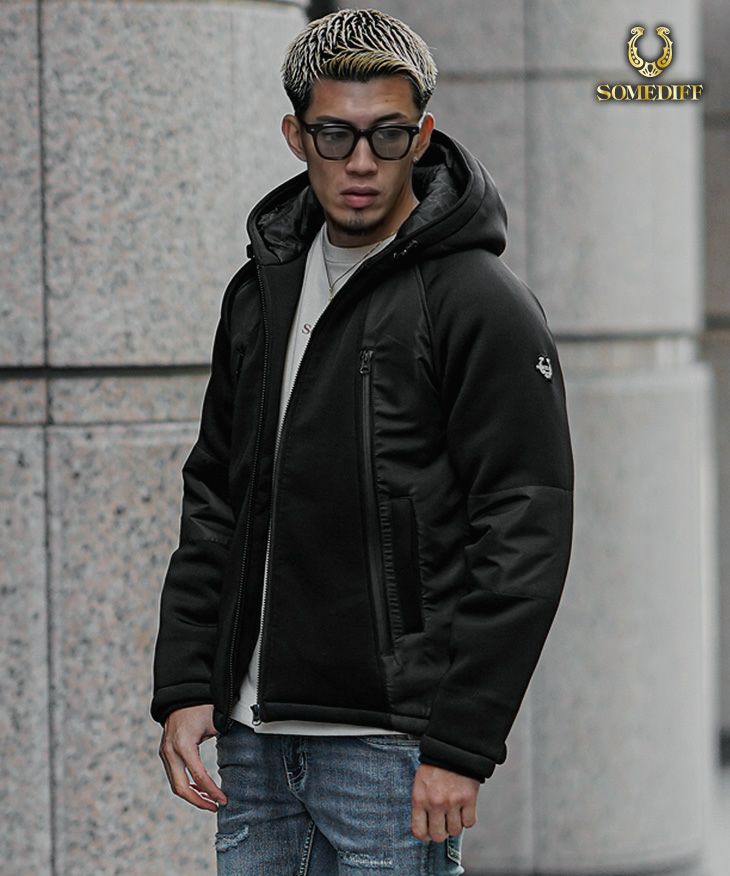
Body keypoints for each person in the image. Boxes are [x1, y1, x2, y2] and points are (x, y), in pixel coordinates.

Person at [151, 8, 574, 875]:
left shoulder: (479, 302)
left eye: (387, 134)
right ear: (296, 136)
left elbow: (525, 528)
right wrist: (188, 682)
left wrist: (462, 741)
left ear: (423, 134)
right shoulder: (260, 288)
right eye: (335, 134)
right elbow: (218, 495)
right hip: (252, 738)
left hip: (391, 745)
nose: (361, 162)